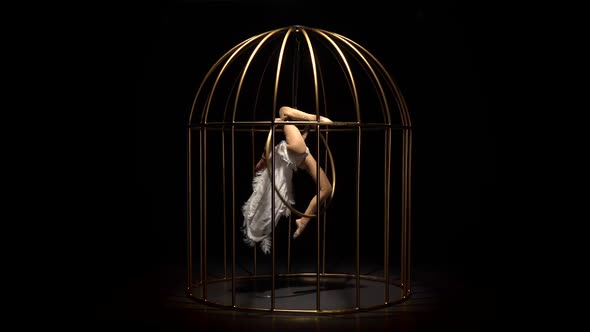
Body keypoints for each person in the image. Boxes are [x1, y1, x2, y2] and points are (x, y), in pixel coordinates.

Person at [241, 106, 333, 254]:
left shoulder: (279, 154)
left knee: (327, 189)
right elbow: (262, 161)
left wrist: (305, 132)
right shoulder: (267, 162)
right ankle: (317, 118)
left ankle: (303, 221)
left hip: (301, 156)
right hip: (297, 152)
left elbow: (298, 143)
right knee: (283, 109)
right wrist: (275, 127)